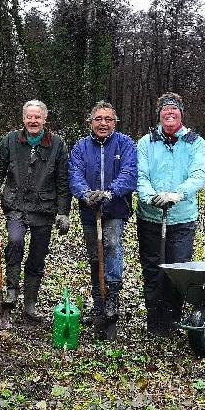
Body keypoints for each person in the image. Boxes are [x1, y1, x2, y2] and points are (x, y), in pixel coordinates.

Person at [0, 99, 70, 329]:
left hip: (44, 210)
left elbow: (63, 182)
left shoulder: (57, 145)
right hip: (16, 205)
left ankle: (30, 301)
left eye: (37, 117)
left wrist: (63, 212)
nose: (33, 121)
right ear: (23, 118)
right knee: (14, 241)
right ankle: (12, 289)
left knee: (37, 255)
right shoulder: (10, 140)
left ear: (45, 119)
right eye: (29, 117)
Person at [136, 92, 205, 336]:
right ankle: (155, 321)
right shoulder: (147, 142)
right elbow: (141, 175)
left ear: (181, 114)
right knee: (153, 269)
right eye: (165, 109)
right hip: (151, 218)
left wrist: (178, 194)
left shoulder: (194, 142)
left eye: (174, 110)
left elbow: (199, 175)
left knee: (177, 270)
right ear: (159, 114)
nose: (169, 113)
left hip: (181, 218)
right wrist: (150, 197)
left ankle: (173, 319)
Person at [68, 100, 137, 340]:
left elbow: (130, 173)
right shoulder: (80, 147)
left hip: (116, 207)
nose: (103, 123)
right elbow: (74, 174)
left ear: (115, 123)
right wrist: (85, 194)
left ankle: (113, 298)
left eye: (108, 119)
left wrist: (109, 193)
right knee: (94, 254)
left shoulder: (125, 144)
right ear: (90, 122)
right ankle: (99, 301)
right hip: (89, 209)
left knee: (111, 244)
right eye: (98, 119)